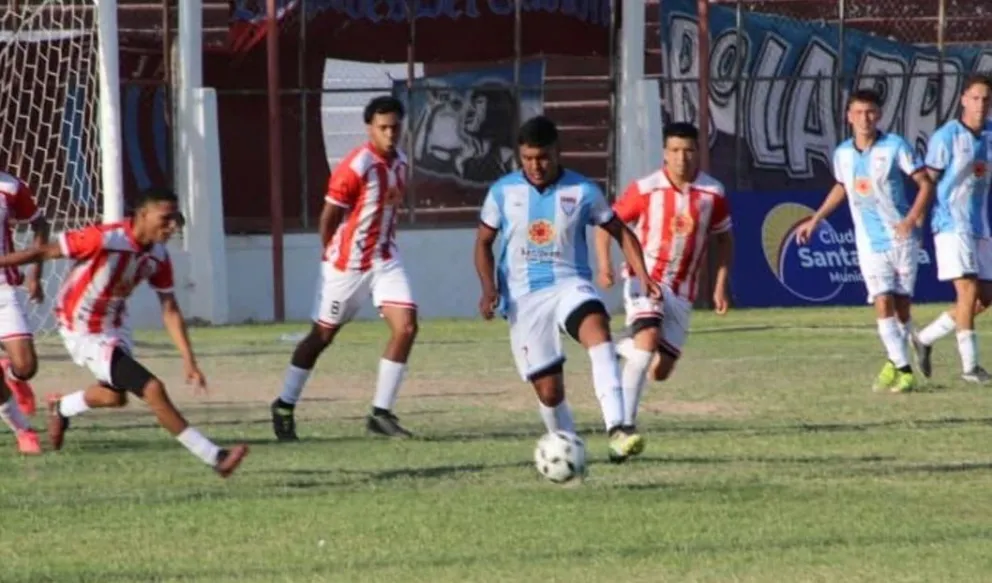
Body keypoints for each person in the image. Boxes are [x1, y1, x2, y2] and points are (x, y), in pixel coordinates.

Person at [0, 187, 248, 477]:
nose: (172, 226)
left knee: (114, 397)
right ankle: (215, 456)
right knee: (152, 388)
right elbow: (44, 251)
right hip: (81, 327)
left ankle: (62, 407)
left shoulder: (158, 256)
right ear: (142, 215)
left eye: (176, 219)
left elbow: (169, 307)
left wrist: (188, 359)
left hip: (115, 325)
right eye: (165, 219)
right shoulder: (105, 238)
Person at [474, 115, 661, 464]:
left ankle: (618, 428)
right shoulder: (502, 192)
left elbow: (620, 231)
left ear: (557, 152)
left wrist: (644, 275)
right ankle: (570, 454)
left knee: (597, 330)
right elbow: (483, 243)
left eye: (542, 157)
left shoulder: (583, 191)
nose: (535, 166)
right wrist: (488, 289)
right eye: (528, 158)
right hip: (524, 298)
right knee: (549, 391)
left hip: (569, 284)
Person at [271, 95, 418, 441]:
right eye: (383, 128)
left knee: (407, 327)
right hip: (347, 266)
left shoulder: (401, 163)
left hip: (385, 259)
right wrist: (332, 257)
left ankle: (380, 413)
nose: (390, 134)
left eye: (395, 127)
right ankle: (284, 404)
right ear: (369, 128)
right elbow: (329, 216)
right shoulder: (357, 165)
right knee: (321, 337)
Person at [595, 122, 734, 438]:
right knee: (647, 343)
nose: (681, 158)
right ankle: (623, 427)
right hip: (645, 280)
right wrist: (604, 266)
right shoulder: (646, 189)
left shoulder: (713, 193)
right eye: (675, 150)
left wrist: (719, 285)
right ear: (665, 153)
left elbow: (725, 240)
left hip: (683, 291)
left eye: (688, 151)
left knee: (660, 371)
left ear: (698, 152)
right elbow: (606, 226)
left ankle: (619, 346)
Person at [795, 89, 934, 392]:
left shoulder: (895, 146)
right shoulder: (842, 154)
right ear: (849, 117)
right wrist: (815, 219)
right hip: (869, 242)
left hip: (902, 239)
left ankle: (905, 352)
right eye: (858, 113)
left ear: (879, 115)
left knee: (901, 308)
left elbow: (925, 184)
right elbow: (842, 187)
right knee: (882, 301)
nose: (864, 118)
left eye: (870, 112)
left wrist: (910, 219)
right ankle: (905, 370)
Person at [911, 75, 992, 383]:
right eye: (975, 98)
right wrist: (918, 217)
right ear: (963, 100)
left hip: (980, 224)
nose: (980, 104)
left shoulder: (990, 134)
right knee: (968, 290)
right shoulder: (947, 136)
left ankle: (925, 338)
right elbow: (928, 181)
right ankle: (970, 368)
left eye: (986, 99)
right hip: (951, 223)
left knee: (984, 298)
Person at [0, 171, 48, 454]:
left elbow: (40, 224)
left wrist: (35, 273)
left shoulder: (10, 186)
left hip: (4, 289)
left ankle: (12, 374)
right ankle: (23, 430)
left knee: (27, 367)